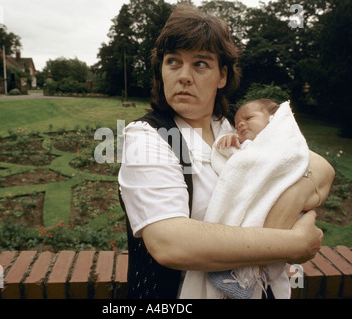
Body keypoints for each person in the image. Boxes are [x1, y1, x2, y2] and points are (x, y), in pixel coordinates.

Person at [118, 4, 334, 299]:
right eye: (173, 62)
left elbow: (319, 167)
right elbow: (170, 243)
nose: (184, 75)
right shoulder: (148, 137)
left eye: (200, 64)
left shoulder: (239, 122)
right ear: (161, 71)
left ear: (222, 76)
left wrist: (293, 197)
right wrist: (292, 243)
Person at [204, 98, 323, 299]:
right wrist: (226, 145)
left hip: (278, 208)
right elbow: (231, 165)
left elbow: (292, 165)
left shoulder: (283, 144)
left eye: (248, 118)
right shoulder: (245, 145)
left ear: (274, 121)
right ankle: (244, 273)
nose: (240, 123)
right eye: (237, 121)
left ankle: (248, 274)